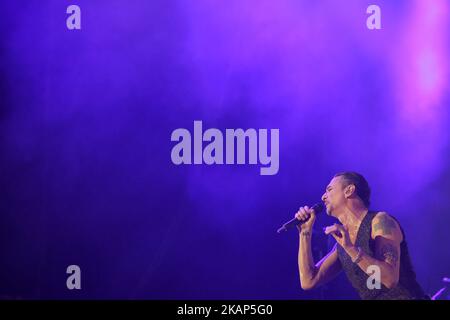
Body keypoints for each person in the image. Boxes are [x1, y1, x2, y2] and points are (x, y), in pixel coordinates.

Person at [296, 172, 428, 299]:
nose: (323, 197)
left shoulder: (380, 221)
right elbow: (308, 281)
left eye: (329, 190)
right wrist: (304, 233)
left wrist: (350, 249)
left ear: (349, 190)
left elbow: (390, 279)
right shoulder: (342, 244)